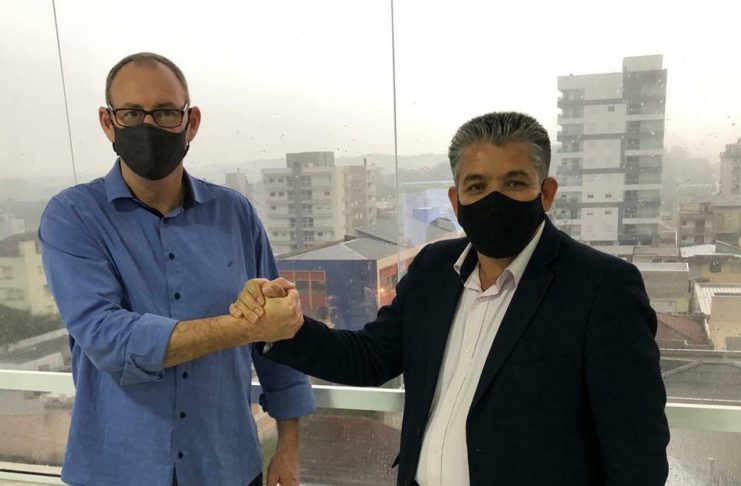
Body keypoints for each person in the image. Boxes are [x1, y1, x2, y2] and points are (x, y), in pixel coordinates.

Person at [232, 112, 670, 486]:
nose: (495, 199)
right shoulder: (433, 269)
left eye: (515, 182)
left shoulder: (602, 288)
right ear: (456, 201)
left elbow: (637, 453)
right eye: (476, 186)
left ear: (547, 193)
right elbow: (368, 357)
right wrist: (287, 328)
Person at [39, 52, 313, 486]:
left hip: (225, 466)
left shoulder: (235, 214)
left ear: (191, 121)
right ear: (108, 122)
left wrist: (289, 446)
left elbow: (277, 342)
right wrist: (243, 327)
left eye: (166, 112)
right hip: (117, 472)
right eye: (131, 113)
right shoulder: (73, 217)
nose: (147, 126)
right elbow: (109, 339)